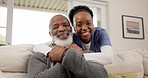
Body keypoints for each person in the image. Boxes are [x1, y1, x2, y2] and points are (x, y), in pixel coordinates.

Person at [27, 14, 108, 78]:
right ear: (50, 34)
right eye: (55, 27)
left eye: (65, 25)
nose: (61, 29)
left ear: (71, 30)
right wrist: (69, 56)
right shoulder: (39, 56)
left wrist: (64, 55)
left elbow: (103, 75)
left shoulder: (86, 52)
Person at [33, 5, 113, 65]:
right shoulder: (71, 37)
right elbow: (37, 46)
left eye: (88, 23)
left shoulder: (100, 33)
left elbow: (109, 58)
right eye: (79, 24)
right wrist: (52, 53)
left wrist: (75, 56)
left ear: (93, 24)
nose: (84, 28)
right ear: (74, 28)